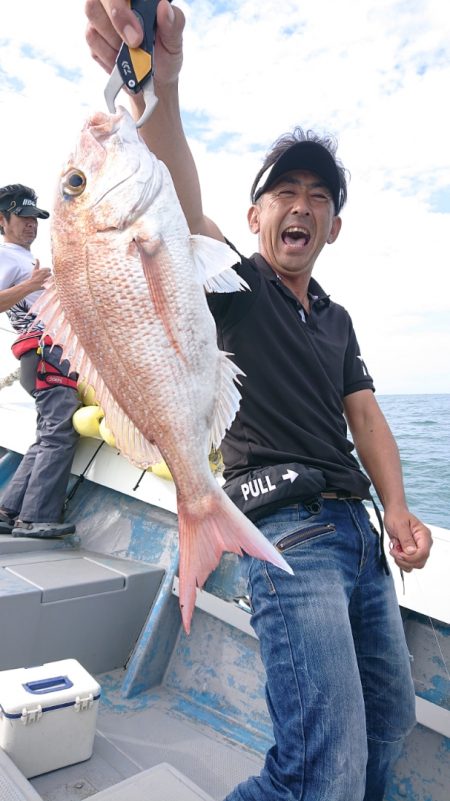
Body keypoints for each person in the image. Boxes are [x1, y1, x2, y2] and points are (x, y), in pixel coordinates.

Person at [85, 3, 433, 799]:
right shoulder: (233, 283)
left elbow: (367, 415)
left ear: (334, 227)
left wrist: (402, 508)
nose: (302, 205)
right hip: (286, 535)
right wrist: (163, 89)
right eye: (285, 192)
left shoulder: (336, 317)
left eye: (319, 196)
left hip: (360, 535)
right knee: (320, 771)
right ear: (254, 218)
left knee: (388, 727)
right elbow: (172, 198)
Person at [0, 184, 80, 538]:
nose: (31, 224)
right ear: (3, 220)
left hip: (43, 356)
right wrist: (30, 282)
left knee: (47, 434)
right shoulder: (7, 256)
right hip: (45, 353)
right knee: (59, 434)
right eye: (23, 217)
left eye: (35, 218)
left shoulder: (20, 257)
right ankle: (36, 518)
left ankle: (9, 509)